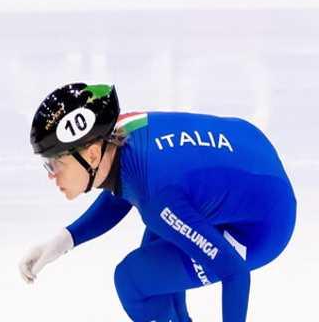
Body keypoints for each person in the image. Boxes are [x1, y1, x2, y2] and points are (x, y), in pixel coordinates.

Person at [20, 83, 296, 322]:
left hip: (263, 227)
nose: (52, 175)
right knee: (155, 246)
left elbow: (234, 272)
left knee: (134, 280)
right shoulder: (123, 130)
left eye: (56, 163)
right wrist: (64, 240)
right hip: (250, 158)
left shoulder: (157, 196)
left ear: (92, 155)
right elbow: (122, 187)